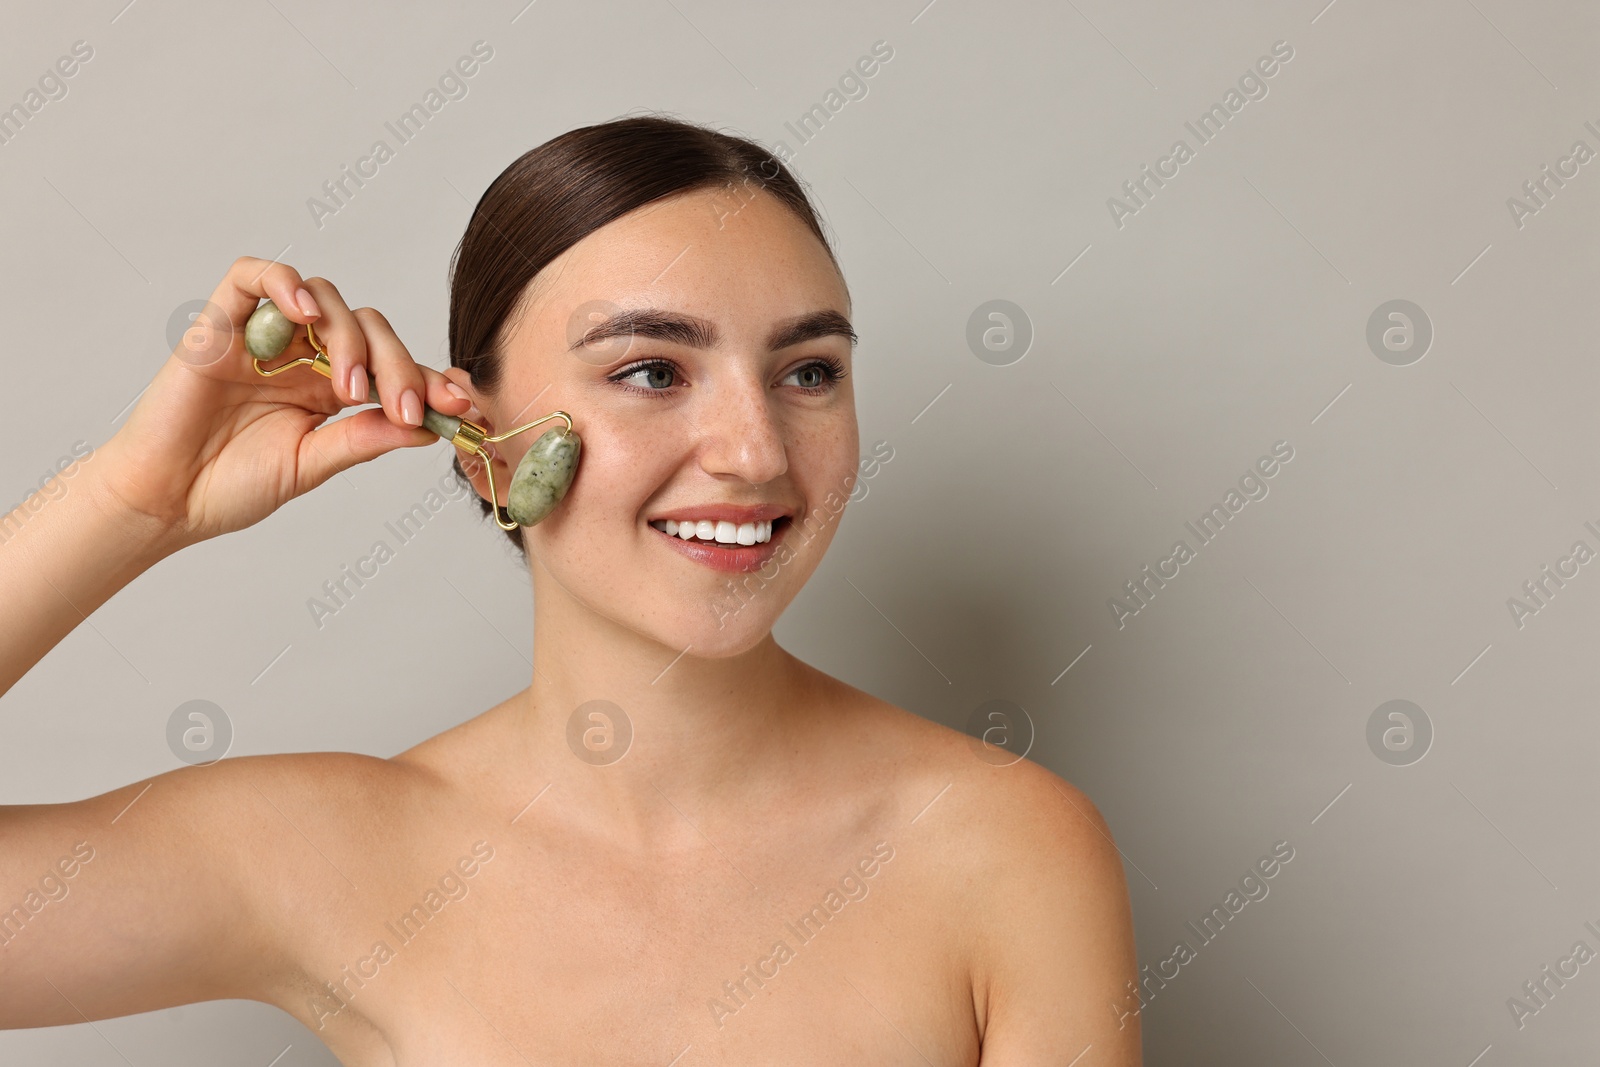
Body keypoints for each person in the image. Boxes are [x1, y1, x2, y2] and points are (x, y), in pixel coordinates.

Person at [0, 115, 1139, 1065]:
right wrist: (129, 501)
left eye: (807, 372)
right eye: (650, 369)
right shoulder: (335, 851)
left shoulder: (1005, 847)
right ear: (473, 430)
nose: (753, 451)